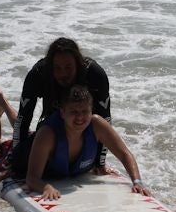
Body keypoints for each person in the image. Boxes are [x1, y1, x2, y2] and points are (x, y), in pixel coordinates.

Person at [0, 74, 151, 200]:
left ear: (91, 110)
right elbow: (31, 178)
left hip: (37, 143)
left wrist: (137, 181)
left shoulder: (97, 124)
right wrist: (44, 187)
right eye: (73, 112)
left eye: (84, 111)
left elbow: (125, 153)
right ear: (62, 112)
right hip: (23, 154)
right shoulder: (48, 134)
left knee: (30, 135)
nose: (80, 118)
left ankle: (2, 101)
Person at [13, 37, 114, 175]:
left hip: (83, 126)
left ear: (77, 65)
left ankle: (2, 102)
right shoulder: (38, 74)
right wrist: (16, 160)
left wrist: (99, 163)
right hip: (51, 126)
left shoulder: (95, 75)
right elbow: (23, 118)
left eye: (68, 67)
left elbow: (105, 120)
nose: (63, 74)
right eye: (57, 68)